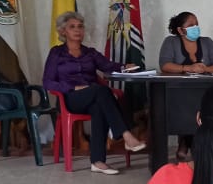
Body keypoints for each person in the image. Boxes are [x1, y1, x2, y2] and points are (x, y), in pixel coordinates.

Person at [42, 11, 146, 175]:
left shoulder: (90, 53)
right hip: (70, 99)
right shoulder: (56, 53)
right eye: (72, 27)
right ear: (63, 31)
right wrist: (73, 88)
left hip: (93, 96)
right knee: (101, 91)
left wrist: (124, 67)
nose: (77, 30)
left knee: (99, 105)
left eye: (80, 26)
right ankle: (125, 134)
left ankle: (98, 162)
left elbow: (108, 66)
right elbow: (48, 82)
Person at [158, 11, 213, 160]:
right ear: (180, 30)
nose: (196, 28)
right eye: (191, 25)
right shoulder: (171, 42)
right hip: (180, 90)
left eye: (197, 24)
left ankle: (191, 142)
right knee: (187, 103)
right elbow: (165, 65)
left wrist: (205, 69)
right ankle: (186, 139)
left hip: (206, 88)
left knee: (209, 102)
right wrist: (188, 68)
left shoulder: (207, 42)